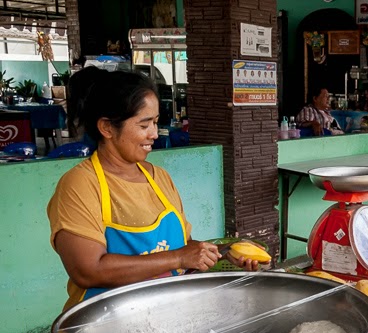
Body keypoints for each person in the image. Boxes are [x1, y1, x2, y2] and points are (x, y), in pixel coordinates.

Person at [47, 70, 254, 312]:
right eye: (144, 125)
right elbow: (88, 270)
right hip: (106, 324)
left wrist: (224, 253)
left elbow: (181, 246)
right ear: (106, 127)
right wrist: (179, 257)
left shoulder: (159, 178)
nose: (154, 134)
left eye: (155, 122)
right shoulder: (79, 185)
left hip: (167, 313)